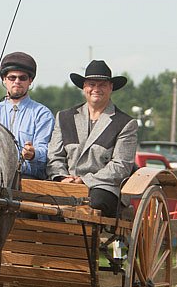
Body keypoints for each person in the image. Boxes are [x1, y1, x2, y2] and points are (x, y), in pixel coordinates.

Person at [46, 60, 138, 216]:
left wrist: (85, 181)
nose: (96, 89)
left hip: (103, 187)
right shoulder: (64, 117)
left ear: (111, 87)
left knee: (94, 202)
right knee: (41, 200)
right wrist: (62, 177)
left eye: (102, 85)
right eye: (91, 84)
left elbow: (121, 166)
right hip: (66, 185)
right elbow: (54, 156)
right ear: (84, 87)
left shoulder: (125, 123)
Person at [0, 52, 54, 179]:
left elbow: (46, 152)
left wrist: (33, 154)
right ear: (4, 79)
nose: (17, 81)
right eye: (12, 77)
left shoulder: (43, 114)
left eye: (22, 78)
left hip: (27, 179)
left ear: (30, 81)